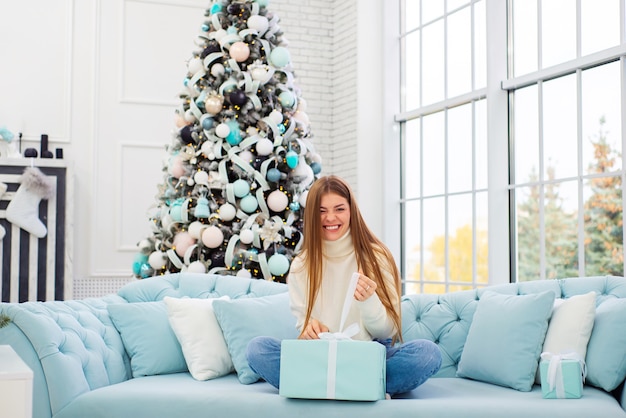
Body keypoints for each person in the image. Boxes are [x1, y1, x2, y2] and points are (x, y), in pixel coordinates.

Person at [246, 175, 442, 397]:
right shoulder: (302, 264)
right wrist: (309, 331)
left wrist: (369, 301)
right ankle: (362, 387)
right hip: (321, 355)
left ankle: (323, 388)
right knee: (258, 349)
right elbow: (303, 326)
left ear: (351, 211)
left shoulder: (377, 257)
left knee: (428, 354)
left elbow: (388, 330)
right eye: (321, 211)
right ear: (311, 215)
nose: (330, 218)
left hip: (369, 354)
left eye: (339, 209)